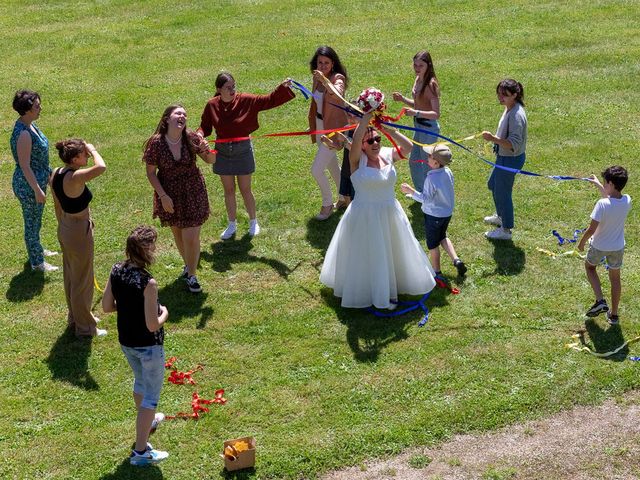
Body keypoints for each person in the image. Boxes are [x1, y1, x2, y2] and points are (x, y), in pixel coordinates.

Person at [320, 112, 436, 309]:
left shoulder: (387, 154)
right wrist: (365, 119)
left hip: (390, 213)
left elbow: (407, 147)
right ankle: (374, 291)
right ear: (362, 145)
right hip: (364, 216)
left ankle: (393, 286)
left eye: (378, 139)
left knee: (392, 252)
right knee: (369, 254)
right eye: (370, 141)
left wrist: (389, 130)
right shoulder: (357, 160)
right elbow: (355, 141)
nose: (375, 143)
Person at [102, 226, 169, 466]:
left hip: (127, 342)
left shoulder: (116, 270)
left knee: (140, 381)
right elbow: (152, 325)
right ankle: (141, 453)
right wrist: (165, 314)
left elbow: (107, 306)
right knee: (150, 396)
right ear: (147, 248)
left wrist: (130, 308)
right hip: (148, 346)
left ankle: (148, 422)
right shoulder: (148, 282)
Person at [197, 72, 295, 238]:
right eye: (228, 87)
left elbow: (268, 100)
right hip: (222, 152)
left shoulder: (245, 100)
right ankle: (231, 225)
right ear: (219, 89)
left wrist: (282, 88)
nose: (232, 90)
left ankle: (253, 222)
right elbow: (205, 127)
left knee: (245, 189)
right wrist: (199, 134)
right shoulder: (212, 105)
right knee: (228, 190)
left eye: (234, 86)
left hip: (242, 150)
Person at [144, 104, 215, 293]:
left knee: (190, 236)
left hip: (193, 191)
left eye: (184, 114)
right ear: (167, 119)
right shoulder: (156, 143)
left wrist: (208, 150)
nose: (182, 116)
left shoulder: (191, 138)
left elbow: (210, 161)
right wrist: (163, 196)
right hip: (169, 193)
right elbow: (151, 173)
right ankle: (188, 265)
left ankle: (192, 275)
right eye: (178, 113)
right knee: (178, 234)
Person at [50, 139, 107, 337]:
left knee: (72, 277)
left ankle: (77, 316)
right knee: (82, 280)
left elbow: (57, 205)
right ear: (75, 159)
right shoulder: (76, 177)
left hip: (65, 227)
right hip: (78, 231)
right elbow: (101, 167)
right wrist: (93, 148)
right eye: (83, 154)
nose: (87, 156)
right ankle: (85, 328)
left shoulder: (56, 173)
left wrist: (63, 228)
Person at [10, 90, 58, 272]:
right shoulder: (23, 134)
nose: (40, 108)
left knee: (35, 221)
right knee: (31, 223)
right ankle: (37, 263)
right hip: (29, 186)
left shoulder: (29, 125)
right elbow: (25, 166)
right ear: (27, 110)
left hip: (37, 180)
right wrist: (37, 189)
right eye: (37, 106)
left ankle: (37, 249)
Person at [401, 144, 467, 277]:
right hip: (446, 214)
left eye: (430, 156)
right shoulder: (448, 172)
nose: (427, 157)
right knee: (442, 236)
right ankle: (456, 260)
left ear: (436, 163)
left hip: (433, 216)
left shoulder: (431, 178)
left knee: (432, 245)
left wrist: (411, 191)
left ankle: (437, 272)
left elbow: (426, 198)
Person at [577, 166, 631, 325]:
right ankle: (613, 315)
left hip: (599, 246)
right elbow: (611, 199)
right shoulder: (627, 200)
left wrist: (581, 243)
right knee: (615, 278)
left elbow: (591, 229)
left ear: (612, 184)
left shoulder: (601, 204)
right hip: (617, 247)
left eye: (605, 183)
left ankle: (600, 300)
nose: (604, 185)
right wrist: (598, 185)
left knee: (590, 267)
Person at [481, 79, 527, 241]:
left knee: (503, 192)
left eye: (504, 95)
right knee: (493, 184)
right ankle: (501, 216)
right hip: (503, 157)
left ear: (515, 95)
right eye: (499, 94)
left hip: (510, 159)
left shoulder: (516, 116)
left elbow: (513, 144)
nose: (500, 97)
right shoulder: (510, 108)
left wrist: (493, 139)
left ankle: (506, 229)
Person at [308, 46, 349, 220]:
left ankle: (327, 203)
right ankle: (343, 198)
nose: (323, 66)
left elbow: (338, 94)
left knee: (316, 170)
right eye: (320, 62)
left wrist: (325, 80)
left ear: (333, 64)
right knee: (332, 166)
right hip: (319, 126)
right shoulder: (317, 78)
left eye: (326, 63)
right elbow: (316, 103)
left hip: (333, 130)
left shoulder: (337, 78)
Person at [392, 50, 441, 192]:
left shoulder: (431, 85)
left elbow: (436, 114)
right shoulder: (418, 79)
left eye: (421, 65)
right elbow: (418, 104)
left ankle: (430, 193)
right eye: (415, 65)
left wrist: (416, 112)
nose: (417, 68)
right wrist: (402, 99)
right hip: (418, 126)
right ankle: (421, 191)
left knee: (427, 164)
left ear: (428, 66)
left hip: (429, 128)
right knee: (414, 161)